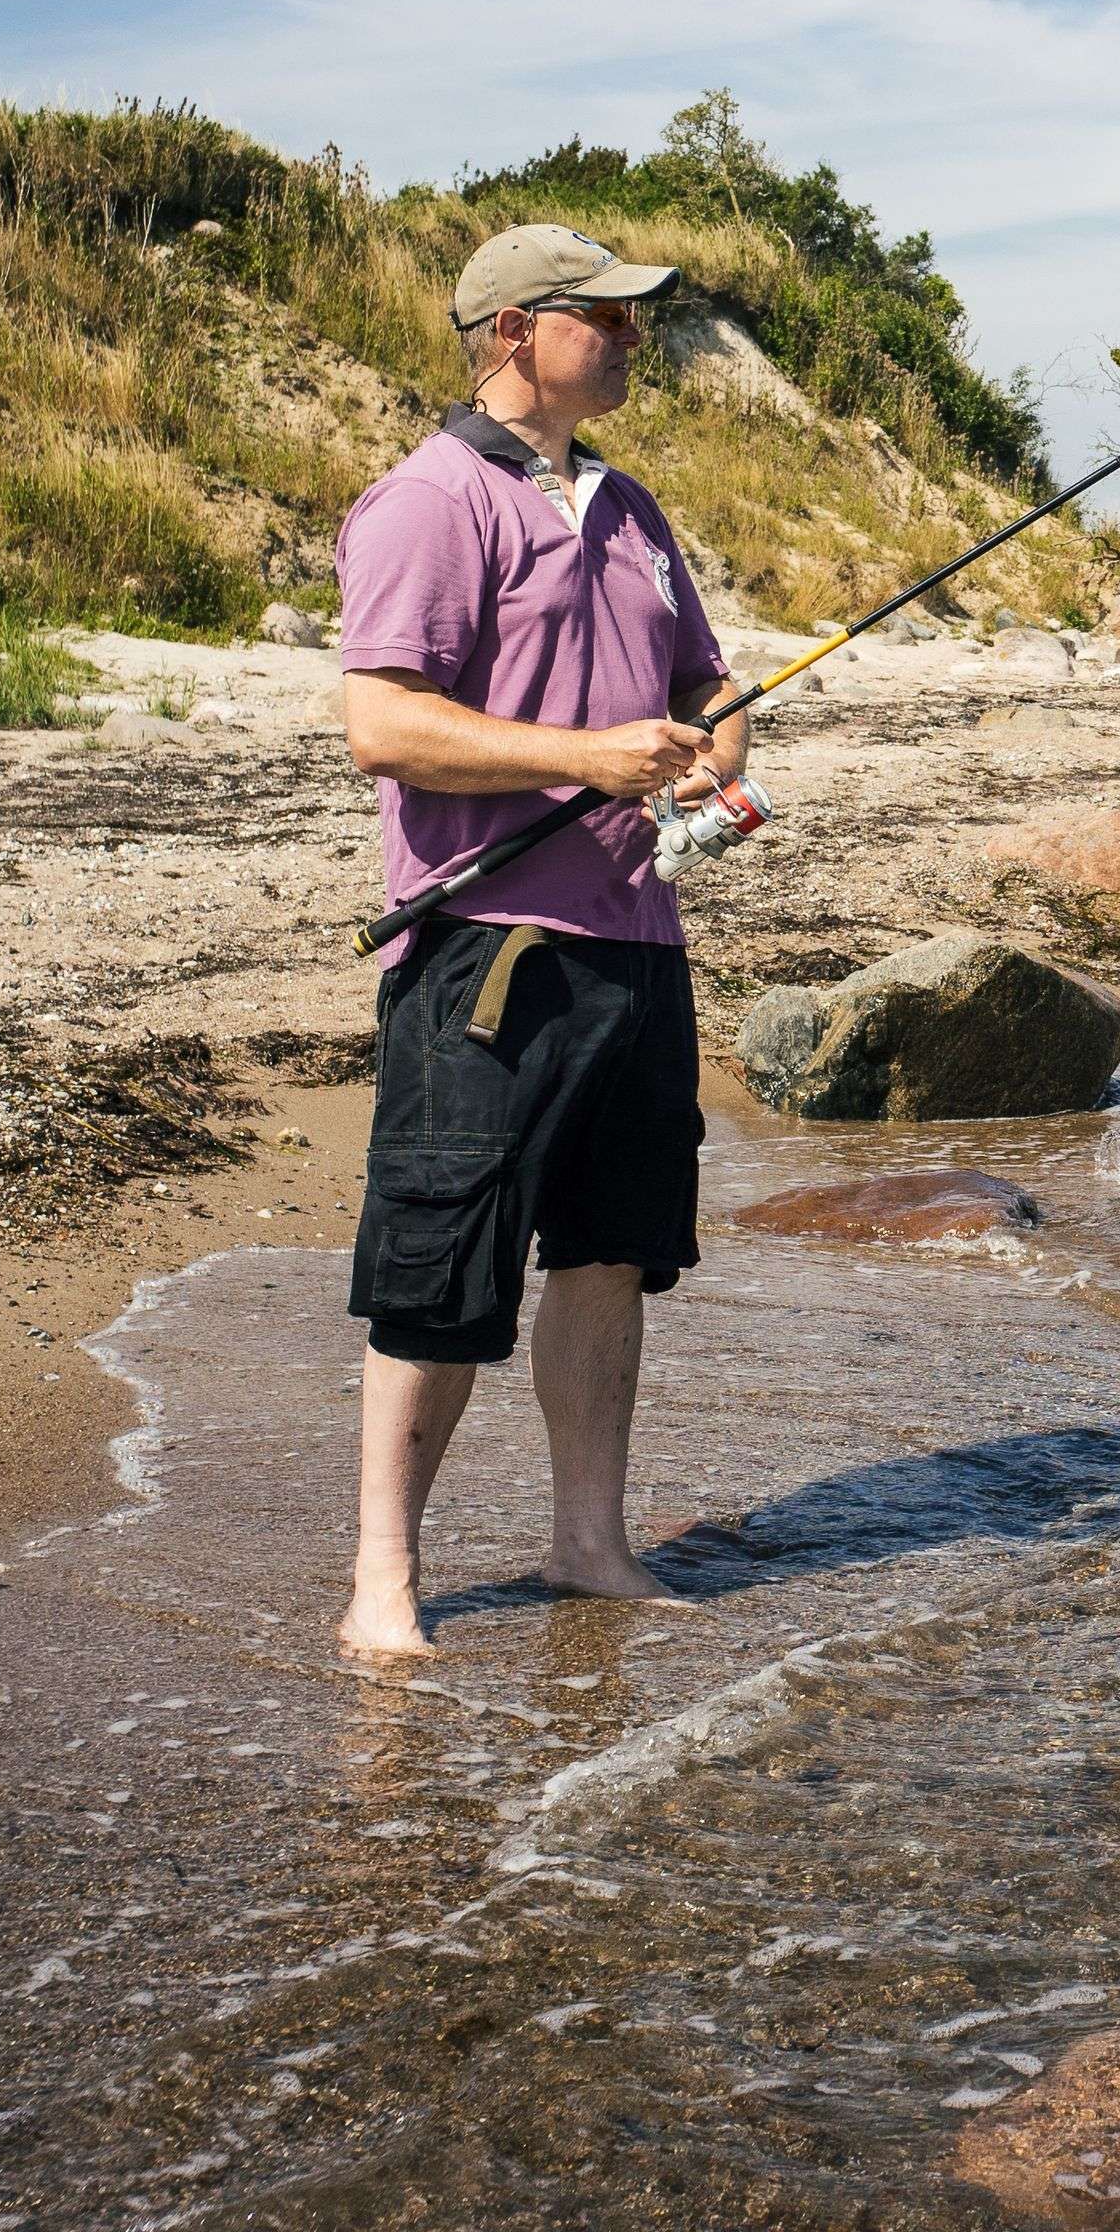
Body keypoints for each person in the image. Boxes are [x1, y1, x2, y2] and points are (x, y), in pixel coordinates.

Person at [329, 223, 750, 1656]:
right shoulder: (428, 499)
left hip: (639, 938)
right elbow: (382, 724)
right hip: (486, 946)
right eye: (608, 318)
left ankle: (589, 1541)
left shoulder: (632, 507)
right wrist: (584, 754)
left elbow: (712, 679)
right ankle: (386, 1578)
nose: (637, 339)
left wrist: (708, 754)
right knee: (442, 1269)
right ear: (512, 328)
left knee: (612, 1252)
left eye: (640, 321)